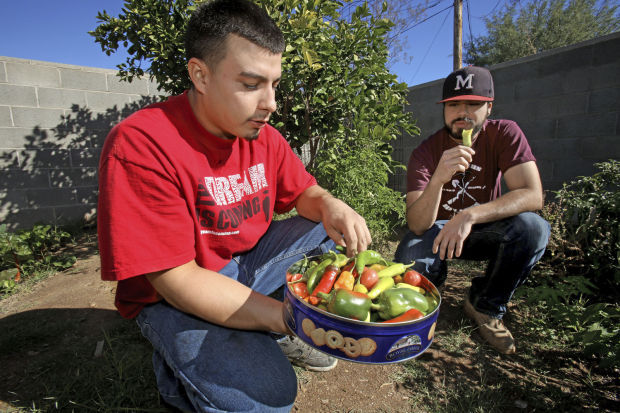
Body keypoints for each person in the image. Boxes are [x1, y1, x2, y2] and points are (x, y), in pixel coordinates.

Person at [96, 0, 371, 411]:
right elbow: (177, 280)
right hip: (169, 294)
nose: (271, 103)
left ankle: (257, 330)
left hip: (241, 264)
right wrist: (290, 318)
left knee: (323, 230)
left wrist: (331, 204)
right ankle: (179, 376)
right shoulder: (141, 144)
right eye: (250, 84)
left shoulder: (263, 136)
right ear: (200, 75)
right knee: (268, 399)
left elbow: (302, 195)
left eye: (274, 84)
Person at [395, 66, 550, 355]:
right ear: (444, 109)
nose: (462, 112)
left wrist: (469, 215)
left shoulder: (504, 133)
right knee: (409, 259)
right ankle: (431, 293)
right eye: (454, 104)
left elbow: (532, 194)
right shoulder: (425, 152)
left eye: (473, 104)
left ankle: (485, 305)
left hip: (483, 230)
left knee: (534, 228)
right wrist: (439, 178)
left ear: (489, 107)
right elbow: (417, 224)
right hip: (438, 232)